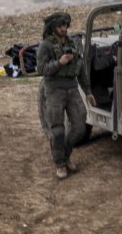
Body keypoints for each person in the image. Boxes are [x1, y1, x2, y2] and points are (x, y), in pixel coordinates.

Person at [37, 11, 86, 180]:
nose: (63, 29)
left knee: (80, 127)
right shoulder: (46, 46)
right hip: (54, 90)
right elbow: (42, 69)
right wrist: (59, 63)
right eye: (60, 26)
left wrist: (89, 92)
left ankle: (65, 156)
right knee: (57, 131)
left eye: (65, 25)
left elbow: (81, 68)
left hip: (72, 88)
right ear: (53, 28)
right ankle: (60, 164)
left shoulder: (72, 43)